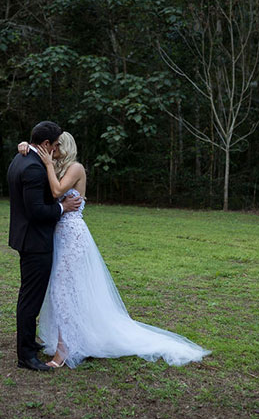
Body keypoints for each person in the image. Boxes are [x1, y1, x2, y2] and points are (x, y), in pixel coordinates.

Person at [17, 132, 210, 369]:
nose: (52, 150)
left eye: (55, 146)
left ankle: (63, 351)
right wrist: (27, 146)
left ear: (64, 147)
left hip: (72, 235)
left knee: (63, 290)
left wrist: (46, 163)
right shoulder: (56, 168)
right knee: (65, 291)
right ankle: (76, 341)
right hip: (59, 237)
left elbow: (56, 193)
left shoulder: (76, 168)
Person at [7, 121, 83, 372]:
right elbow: (37, 211)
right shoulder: (33, 167)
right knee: (30, 299)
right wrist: (62, 208)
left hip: (30, 238)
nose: (59, 146)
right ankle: (26, 355)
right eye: (56, 142)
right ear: (47, 145)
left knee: (31, 296)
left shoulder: (21, 158)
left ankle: (29, 343)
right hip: (35, 241)